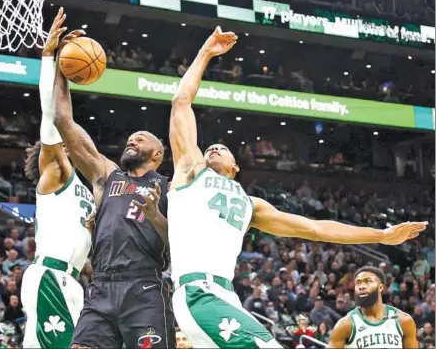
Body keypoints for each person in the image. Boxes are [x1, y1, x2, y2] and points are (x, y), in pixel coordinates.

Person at [167, 26, 427, 348]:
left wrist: (381, 235)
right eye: (210, 148)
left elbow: (317, 229)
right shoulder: (192, 171)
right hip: (198, 292)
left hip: (226, 296)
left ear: (236, 167)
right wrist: (206, 52)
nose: (213, 149)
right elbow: (181, 103)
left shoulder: (252, 205)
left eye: (223, 147)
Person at [52, 23, 174, 348]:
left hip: (144, 288)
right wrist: (60, 67)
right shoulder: (108, 176)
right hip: (101, 286)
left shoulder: (169, 188)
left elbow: (175, 245)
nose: (133, 139)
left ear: (158, 154)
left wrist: (156, 217)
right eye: (131, 137)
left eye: (142, 138)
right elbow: (63, 122)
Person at [20, 8, 95, 349]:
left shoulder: (80, 186)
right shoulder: (55, 173)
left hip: (69, 280)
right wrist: (51, 59)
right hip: (51, 276)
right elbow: (51, 117)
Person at [329, 266, 418, 348]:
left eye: (368, 282)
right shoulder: (345, 325)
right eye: (358, 283)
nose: (362, 286)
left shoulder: (403, 321)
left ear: (380, 288)